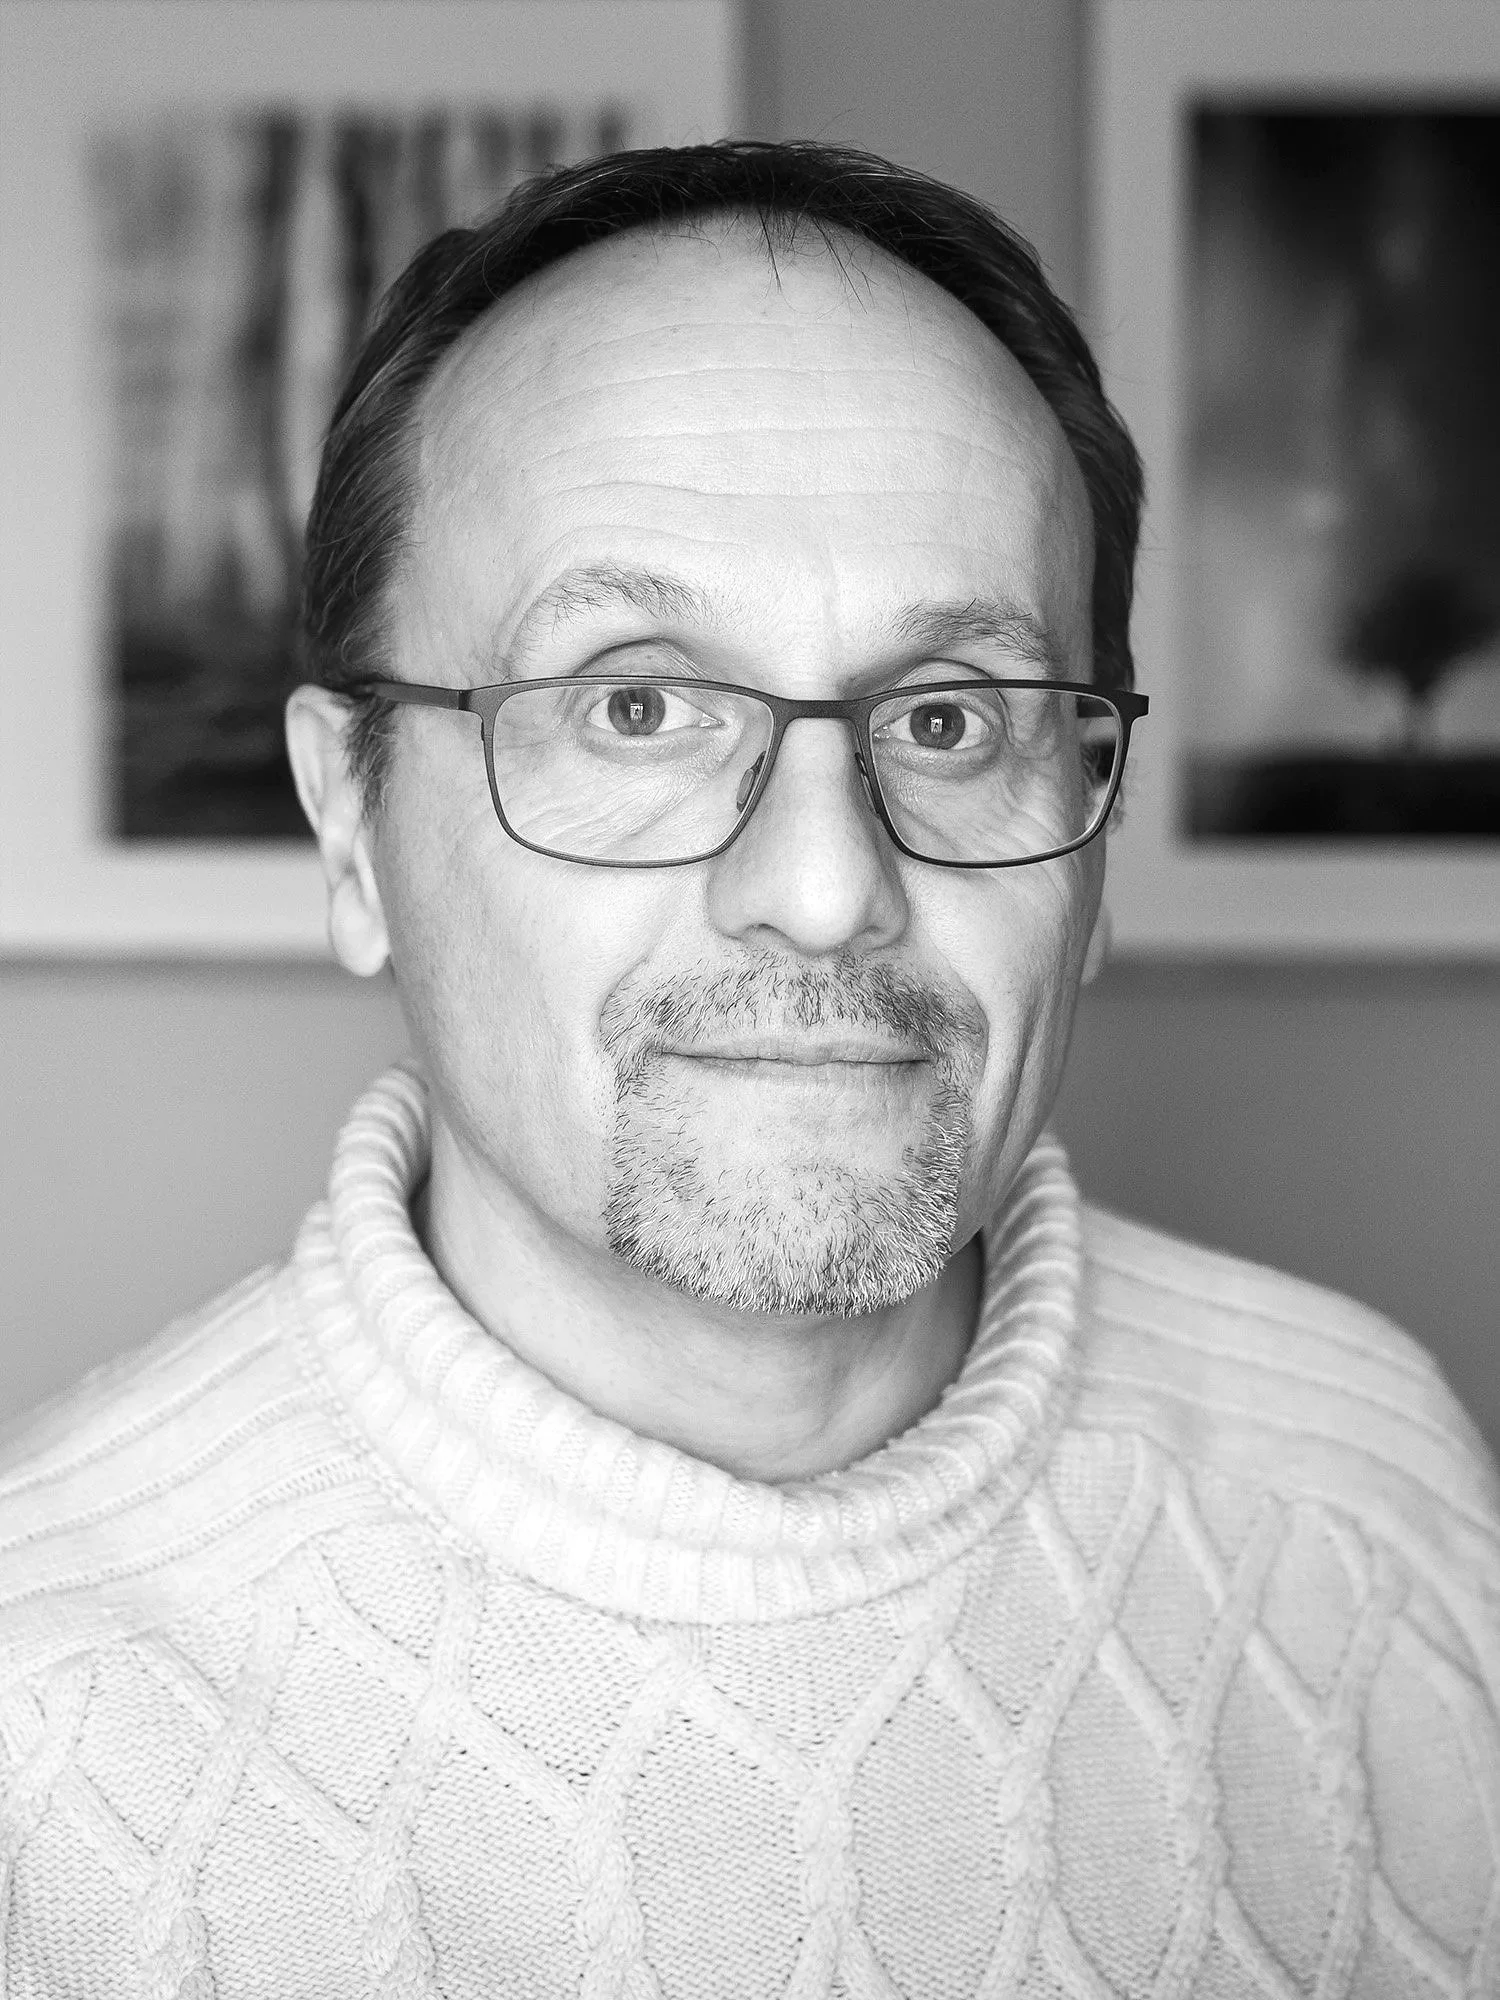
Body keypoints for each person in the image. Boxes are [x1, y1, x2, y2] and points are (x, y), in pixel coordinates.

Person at [2, 141, 1495, 1995]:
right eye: (635, 705)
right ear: (349, 825)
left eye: (951, 718)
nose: (822, 887)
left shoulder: (1374, 1490)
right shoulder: (46, 1744)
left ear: (1093, 830)